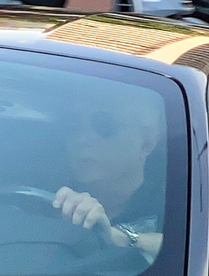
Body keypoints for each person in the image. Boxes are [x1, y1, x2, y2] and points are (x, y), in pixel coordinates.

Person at [50, 86, 168, 260]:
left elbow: (193, 252)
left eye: (104, 124)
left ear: (146, 143)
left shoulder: (176, 205)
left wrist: (121, 237)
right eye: (72, 124)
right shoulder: (43, 194)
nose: (82, 138)